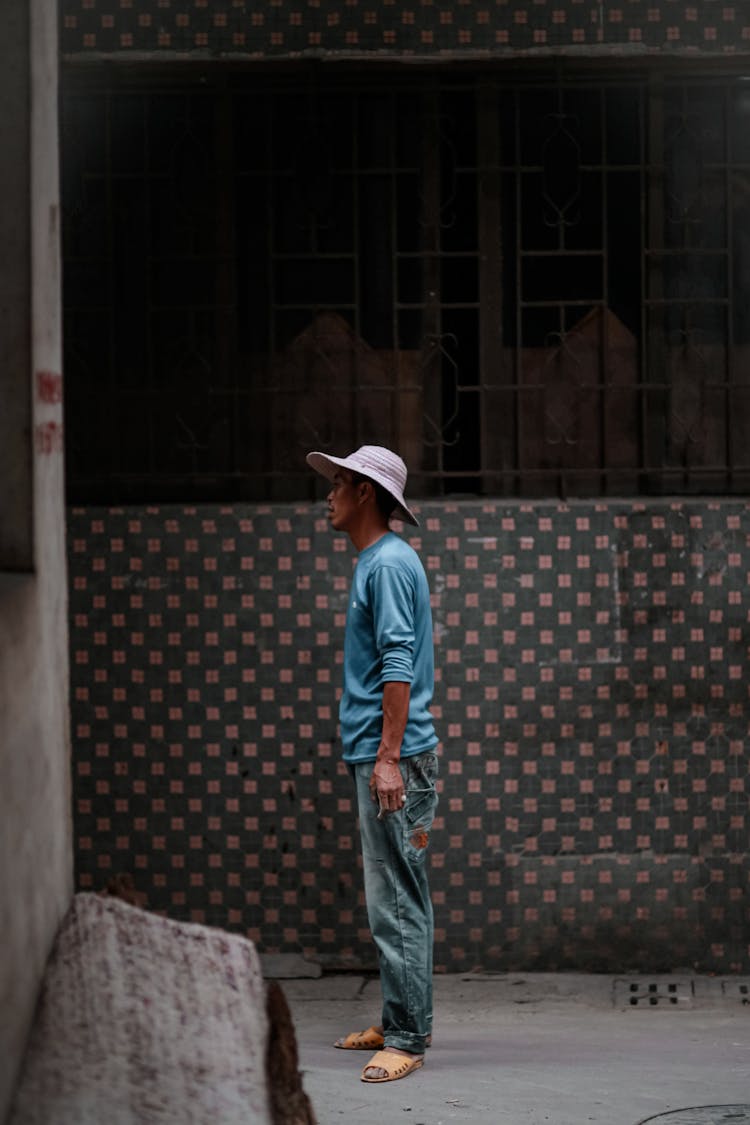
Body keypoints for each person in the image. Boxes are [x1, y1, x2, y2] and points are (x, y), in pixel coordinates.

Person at [306, 445, 439, 1085]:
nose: (326, 496)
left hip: (395, 761)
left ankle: (407, 1037)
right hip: (379, 755)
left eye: (337, 484)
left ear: (365, 493)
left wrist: (388, 758)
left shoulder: (386, 564)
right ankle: (399, 1016)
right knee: (387, 899)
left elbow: (398, 664)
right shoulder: (377, 562)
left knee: (398, 900)